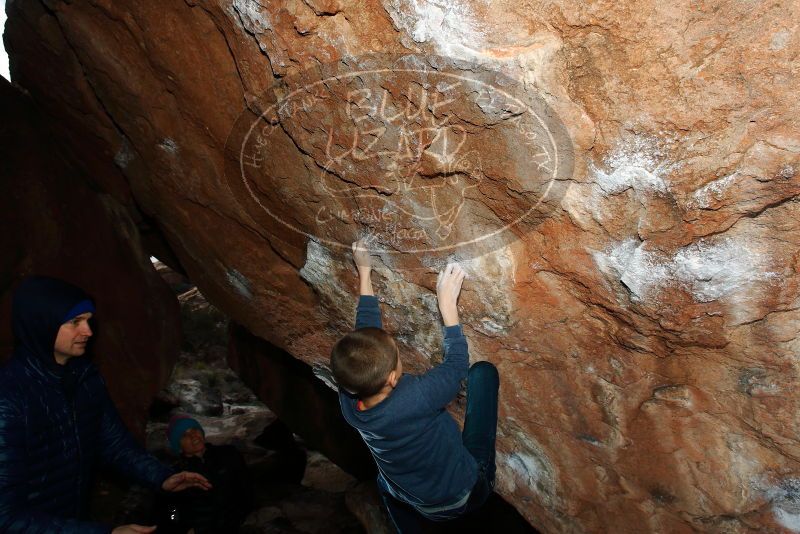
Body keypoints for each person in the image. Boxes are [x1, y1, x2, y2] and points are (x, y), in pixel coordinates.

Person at [0, 276, 211, 534]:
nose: (88, 331)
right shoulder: (9, 397)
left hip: (72, 521)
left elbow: (114, 444)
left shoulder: (84, 378)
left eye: (88, 320)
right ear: (41, 324)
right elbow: (6, 517)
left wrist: (162, 476)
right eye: (75, 322)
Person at [331, 240, 500, 532]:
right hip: (464, 495)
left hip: (413, 498)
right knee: (483, 373)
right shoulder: (416, 396)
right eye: (397, 357)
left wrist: (365, 273)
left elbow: (363, 341)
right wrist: (447, 305)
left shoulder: (350, 400)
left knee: (386, 483)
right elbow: (456, 366)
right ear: (393, 379)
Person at [157, 414, 253, 534]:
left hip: (236, 524)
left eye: (194, 430)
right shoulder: (176, 474)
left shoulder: (229, 454)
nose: (193, 436)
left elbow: (246, 489)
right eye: (184, 435)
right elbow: (171, 509)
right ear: (179, 446)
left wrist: (241, 517)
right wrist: (182, 528)